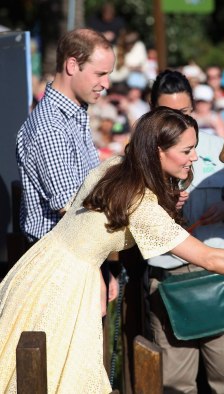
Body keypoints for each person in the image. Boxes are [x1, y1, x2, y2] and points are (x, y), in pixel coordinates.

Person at [0, 107, 224, 392]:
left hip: (42, 265)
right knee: (57, 376)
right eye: (187, 150)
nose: (195, 158)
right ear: (158, 152)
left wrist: (97, 268)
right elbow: (210, 257)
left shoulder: (116, 167)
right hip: (65, 285)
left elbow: (83, 225)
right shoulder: (140, 203)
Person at [147, 69, 224, 393]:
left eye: (185, 112)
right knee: (175, 384)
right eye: (169, 114)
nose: (179, 119)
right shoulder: (142, 156)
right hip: (168, 277)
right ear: (153, 112)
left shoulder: (219, 148)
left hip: (219, 274)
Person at [15, 28, 118, 313]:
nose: (106, 83)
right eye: (100, 74)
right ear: (72, 65)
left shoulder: (73, 115)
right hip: (58, 267)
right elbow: (71, 208)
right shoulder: (51, 125)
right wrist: (96, 271)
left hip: (76, 261)